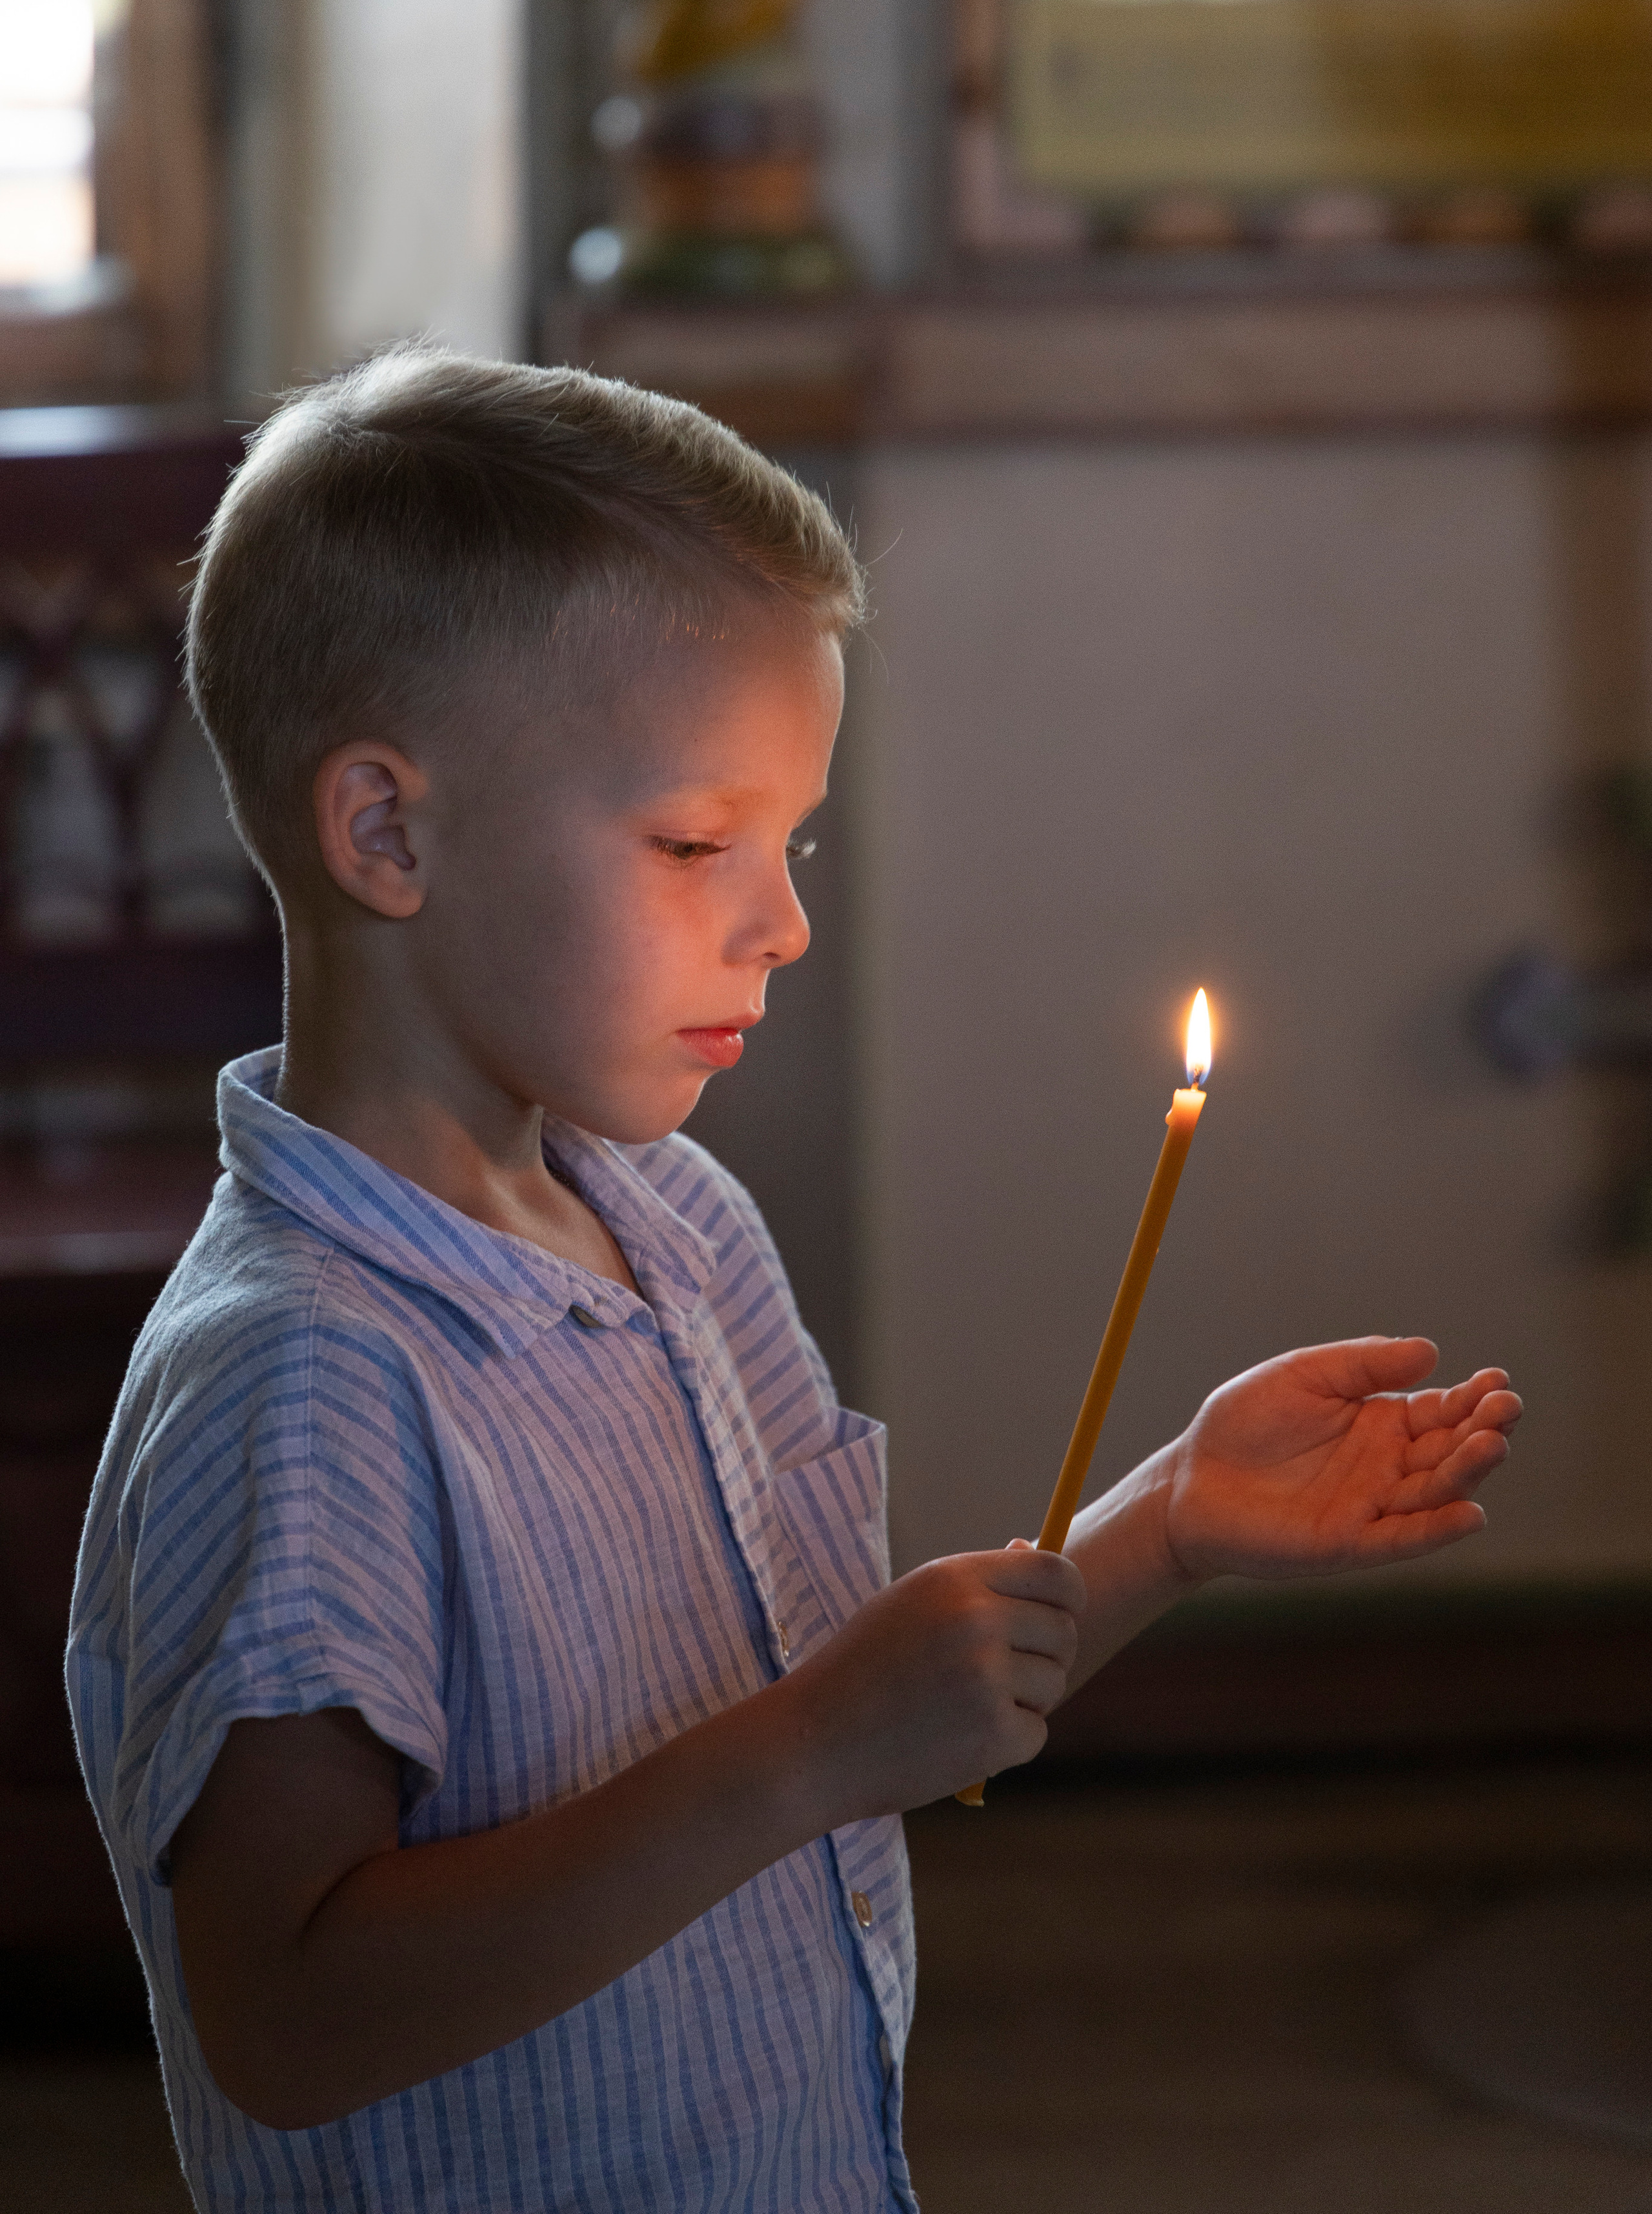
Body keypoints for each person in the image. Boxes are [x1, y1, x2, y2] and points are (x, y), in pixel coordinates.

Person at [66, 349, 1520, 2214]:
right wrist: (803, 1751)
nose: (785, 921)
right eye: (694, 843)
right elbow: (289, 2016)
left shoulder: (682, 1230)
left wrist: (1163, 1529)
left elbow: (846, 1723)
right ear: (388, 834)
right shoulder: (307, 1381)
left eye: (792, 839)